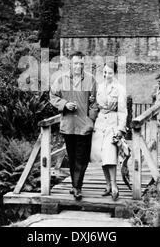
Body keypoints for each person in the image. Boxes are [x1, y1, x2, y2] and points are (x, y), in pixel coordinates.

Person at [49, 51, 97, 201]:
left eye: (81, 64)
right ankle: (75, 184)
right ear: (70, 64)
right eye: (76, 63)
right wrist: (65, 104)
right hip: (68, 125)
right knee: (72, 157)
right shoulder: (61, 79)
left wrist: (91, 120)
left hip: (84, 126)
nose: (78, 66)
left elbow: (94, 102)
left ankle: (77, 187)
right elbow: (53, 97)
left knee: (82, 158)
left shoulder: (90, 79)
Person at [90, 62, 127, 201]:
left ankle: (114, 185)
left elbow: (123, 111)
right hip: (100, 123)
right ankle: (107, 185)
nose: (106, 75)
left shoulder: (119, 88)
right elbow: (95, 105)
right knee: (102, 155)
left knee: (110, 155)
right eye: (105, 72)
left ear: (114, 73)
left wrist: (120, 129)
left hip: (112, 123)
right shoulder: (99, 87)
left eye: (109, 73)